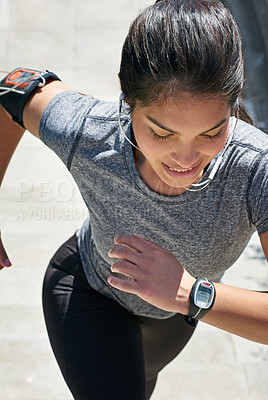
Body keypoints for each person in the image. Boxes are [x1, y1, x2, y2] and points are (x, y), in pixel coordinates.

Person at [0, 0, 267, 399]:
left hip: (175, 320)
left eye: (211, 133)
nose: (185, 159)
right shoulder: (89, 131)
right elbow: (13, 89)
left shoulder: (256, 168)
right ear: (127, 94)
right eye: (162, 133)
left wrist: (190, 293)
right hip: (88, 290)